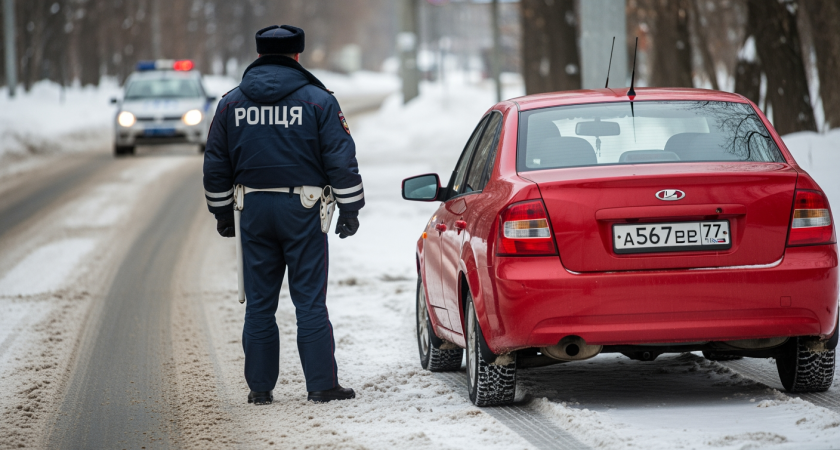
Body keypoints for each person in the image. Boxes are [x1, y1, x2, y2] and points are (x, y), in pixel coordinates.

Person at [203, 25, 364, 405]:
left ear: (259, 56)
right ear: (297, 56)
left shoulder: (230, 104)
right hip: (304, 211)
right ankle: (322, 385)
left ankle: (260, 389)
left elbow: (215, 164)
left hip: (252, 210)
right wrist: (350, 207)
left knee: (259, 302)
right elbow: (341, 159)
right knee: (309, 300)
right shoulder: (318, 101)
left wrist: (223, 213)